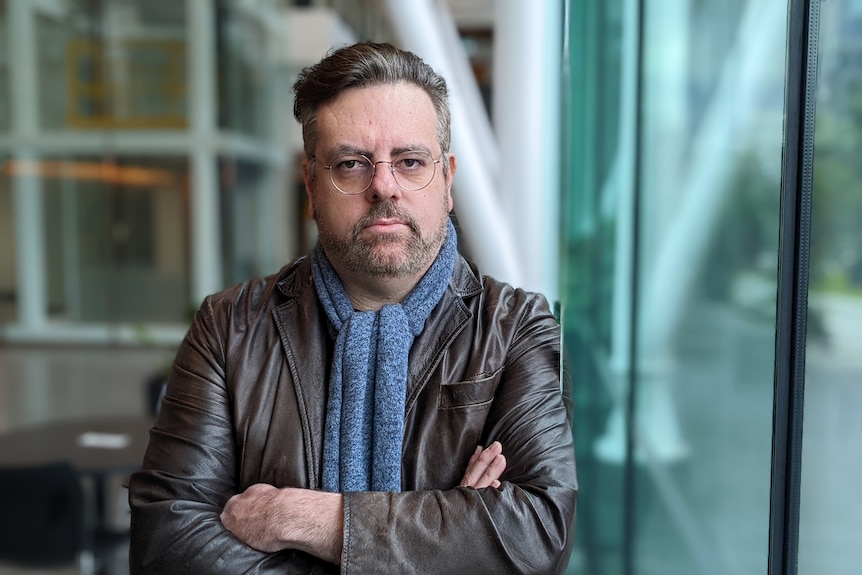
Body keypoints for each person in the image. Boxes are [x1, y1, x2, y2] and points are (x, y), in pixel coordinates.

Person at [128, 41, 577, 574]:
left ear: (448, 180)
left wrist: (303, 518)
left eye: (410, 162)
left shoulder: (516, 328)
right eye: (351, 164)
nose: (384, 186)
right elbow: (167, 544)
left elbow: (538, 533)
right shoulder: (229, 327)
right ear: (312, 185)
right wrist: (447, 529)